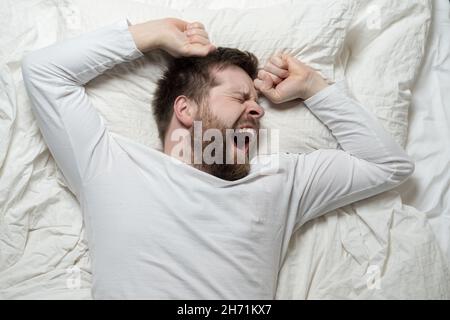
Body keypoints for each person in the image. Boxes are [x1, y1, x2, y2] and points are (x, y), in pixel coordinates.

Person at [21, 17, 414, 299]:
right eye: (240, 98)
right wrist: (153, 34)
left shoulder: (281, 180)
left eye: (257, 102)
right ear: (185, 110)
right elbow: (44, 72)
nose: (258, 111)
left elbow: (387, 165)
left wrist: (313, 87)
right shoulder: (108, 165)